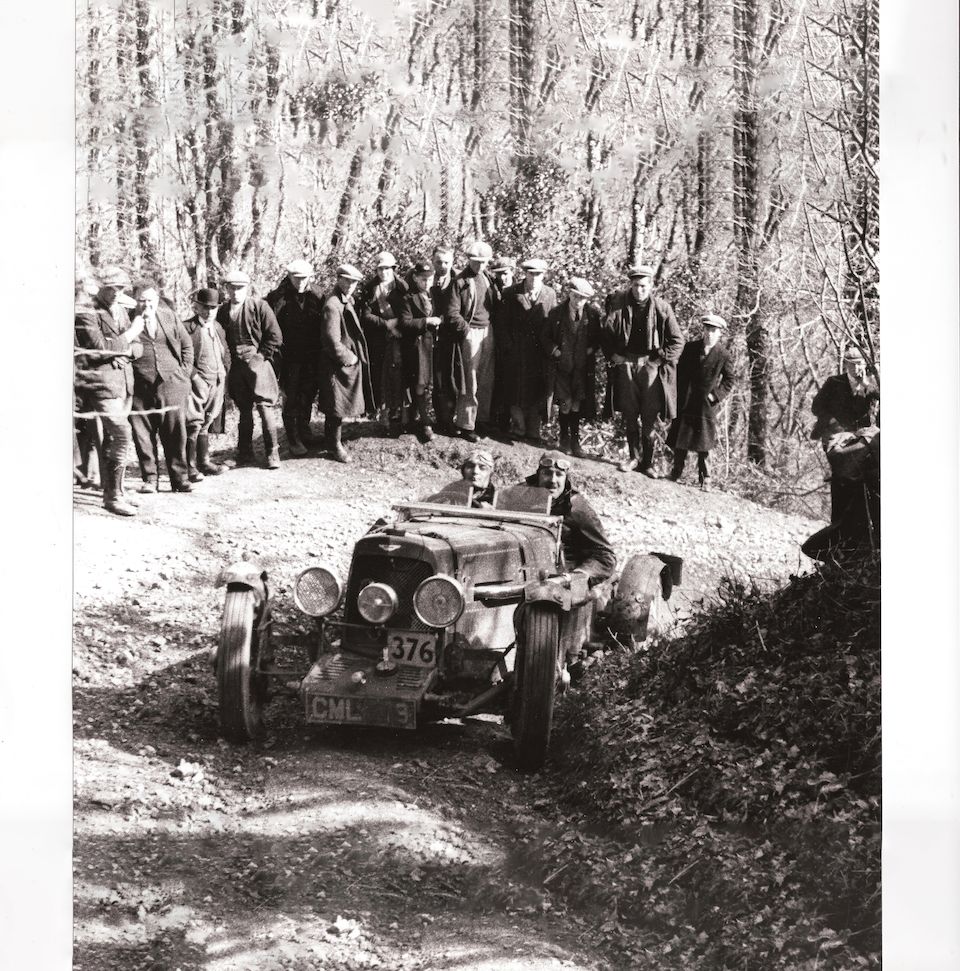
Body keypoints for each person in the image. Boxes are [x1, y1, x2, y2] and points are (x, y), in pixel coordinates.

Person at [601, 264, 683, 475]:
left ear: (651, 285)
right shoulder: (619, 304)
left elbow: (677, 341)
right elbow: (605, 335)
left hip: (651, 366)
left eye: (644, 286)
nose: (640, 290)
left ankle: (648, 463)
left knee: (649, 415)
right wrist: (613, 355)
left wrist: (657, 361)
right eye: (636, 286)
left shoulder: (662, 308)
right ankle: (632, 458)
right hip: (627, 364)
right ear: (631, 284)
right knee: (629, 413)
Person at [74, 276, 145, 515]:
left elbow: (138, 347)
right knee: (122, 433)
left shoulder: (120, 311)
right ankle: (113, 497)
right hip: (102, 384)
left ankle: (115, 491)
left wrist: (125, 349)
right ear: (101, 286)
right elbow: (97, 347)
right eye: (112, 288)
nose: (117, 292)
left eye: (121, 288)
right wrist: (129, 336)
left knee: (114, 438)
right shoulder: (86, 312)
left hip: (124, 382)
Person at [128, 283, 195, 493]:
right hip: (140, 386)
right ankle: (150, 479)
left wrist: (183, 373)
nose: (147, 304)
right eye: (142, 300)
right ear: (135, 300)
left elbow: (187, 346)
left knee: (176, 431)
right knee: (143, 434)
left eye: (151, 300)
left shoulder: (169, 316)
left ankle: (179, 478)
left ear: (157, 300)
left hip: (171, 384)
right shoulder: (127, 320)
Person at [216, 269, 284, 470]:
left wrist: (261, 356)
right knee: (244, 410)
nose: (236, 292)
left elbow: (275, 336)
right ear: (226, 289)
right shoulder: (222, 311)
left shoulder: (259, 306)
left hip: (259, 365)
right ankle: (245, 453)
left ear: (247, 288)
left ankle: (273, 453)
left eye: (240, 288)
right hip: (236, 368)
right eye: (232, 288)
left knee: (265, 408)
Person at [666, 313, 737, 490]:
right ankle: (676, 472)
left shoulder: (723, 355)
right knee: (680, 439)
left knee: (704, 443)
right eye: (707, 330)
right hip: (686, 400)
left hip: (706, 404)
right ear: (703, 330)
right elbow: (679, 372)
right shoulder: (690, 348)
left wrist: (715, 396)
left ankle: (706, 478)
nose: (709, 334)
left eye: (713, 331)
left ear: (720, 333)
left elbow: (729, 380)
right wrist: (677, 393)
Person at [522, 452, 616, 585]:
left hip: (560, 579)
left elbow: (605, 556)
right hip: (523, 570)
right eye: (547, 473)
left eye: (559, 475)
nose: (553, 480)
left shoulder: (577, 507)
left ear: (566, 479)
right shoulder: (521, 495)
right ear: (538, 476)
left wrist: (578, 576)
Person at [810, 346, 879, 523]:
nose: (856, 368)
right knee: (841, 474)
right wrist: (837, 427)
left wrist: (869, 385)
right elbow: (817, 407)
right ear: (845, 365)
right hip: (836, 435)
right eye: (852, 364)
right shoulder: (834, 383)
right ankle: (838, 522)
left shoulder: (869, 385)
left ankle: (857, 524)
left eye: (860, 364)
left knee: (862, 478)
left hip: (860, 437)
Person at [266, 259, 325, 455]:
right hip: (289, 357)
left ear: (310, 277)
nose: (300, 282)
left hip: (311, 354)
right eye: (296, 277)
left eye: (304, 278)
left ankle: (304, 430)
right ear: (289, 276)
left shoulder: (318, 295)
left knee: (308, 393)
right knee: (291, 396)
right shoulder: (277, 298)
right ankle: (293, 438)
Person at [318, 264, 375, 463]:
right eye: (347, 281)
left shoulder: (344, 300)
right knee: (336, 405)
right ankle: (334, 446)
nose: (351, 285)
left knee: (337, 405)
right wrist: (348, 357)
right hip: (336, 364)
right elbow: (331, 341)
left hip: (341, 363)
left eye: (354, 282)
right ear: (339, 279)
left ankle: (332, 442)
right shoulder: (332, 305)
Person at [542, 277, 601, 457]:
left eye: (582, 298)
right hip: (562, 367)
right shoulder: (556, 313)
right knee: (565, 403)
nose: (578, 301)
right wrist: (555, 351)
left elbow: (599, 337)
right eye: (575, 296)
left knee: (576, 403)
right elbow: (544, 337)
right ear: (569, 294)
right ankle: (564, 440)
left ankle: (575, 442)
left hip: (581, 369)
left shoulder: (592, 315)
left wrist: (591, 349)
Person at [501, 258, 557, 444]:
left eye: (538, 274)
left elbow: (553, 323)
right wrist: (508, 346)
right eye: (530, 273)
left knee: (537, 390)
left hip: (539, 351)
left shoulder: (549, 294)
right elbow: (502, 323)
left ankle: (533, 431)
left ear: (544, 275)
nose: (534, 277)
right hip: (517, 350)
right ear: (524, 273)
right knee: (515, 389)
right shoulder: (511, 292)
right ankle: (518, 428)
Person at [447, 240, 496, 443]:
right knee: (471, 379)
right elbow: (452, 312)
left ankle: (481, 420)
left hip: (487, 331)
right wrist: (466, 331)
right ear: (469, 260)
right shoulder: (460, 281)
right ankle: (467, 424)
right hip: (471, 332)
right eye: (476, 262)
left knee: (486, 377)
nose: (480, 265)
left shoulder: (487, 279)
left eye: (483, 262)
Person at [183, 288, 230, 480]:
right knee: (193, 423)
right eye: (205, 307)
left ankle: (204, 462)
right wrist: (195, 378)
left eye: (213, 308)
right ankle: (190, 467)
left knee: (208, 421)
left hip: (217, 382)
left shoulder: (217, 327)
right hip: (196, 384)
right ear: (197, 306)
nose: (209, 311)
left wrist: (225, 371)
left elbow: (225, 352)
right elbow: (182, 358)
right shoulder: (187, 328)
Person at [360, 251, 407, 437]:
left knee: (399, 378)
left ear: (393, 269)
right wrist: (386, 324)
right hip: (379, 339)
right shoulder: (371, 287)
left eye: (387, 268)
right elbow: (366, 315)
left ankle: (399, 418)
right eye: (380, 269)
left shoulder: (402, 286)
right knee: (381, 378)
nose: (383, 272)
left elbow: (409, 311)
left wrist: (398, 325)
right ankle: (383, 417)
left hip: (400, 338)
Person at [398, 260, 442, 442]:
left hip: (434, 346)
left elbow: (443, 311)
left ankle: (420, 419)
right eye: (423, 279)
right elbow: (405, 323)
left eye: (430, 279)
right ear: (415, 278)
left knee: (429, 383)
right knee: (419, 383)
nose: (427, 282)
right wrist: (427, 322)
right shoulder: (408, 297)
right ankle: (423, 422)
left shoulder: (435, 293)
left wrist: (441, 319)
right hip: (417, 347)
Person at [430, 245, 458, 435]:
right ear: (432, 261)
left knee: (449, 378)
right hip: (427, 334)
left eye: (447, 262)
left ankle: (448, 419)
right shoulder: (423, 278)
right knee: (430, 379)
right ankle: (430, 419)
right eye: (439, 262)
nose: (443, 266)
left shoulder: (458, 280)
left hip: (450, 336)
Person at [488, 256, 517, 438]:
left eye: (505, 274)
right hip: (494, 340)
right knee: (494, 381)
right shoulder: (493, 289)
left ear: (512, 272)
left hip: (513, 345)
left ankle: (505, 423)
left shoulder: (517, 292)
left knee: (510, 384)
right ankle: (492, 421)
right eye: (499, 275)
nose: (502, 278)